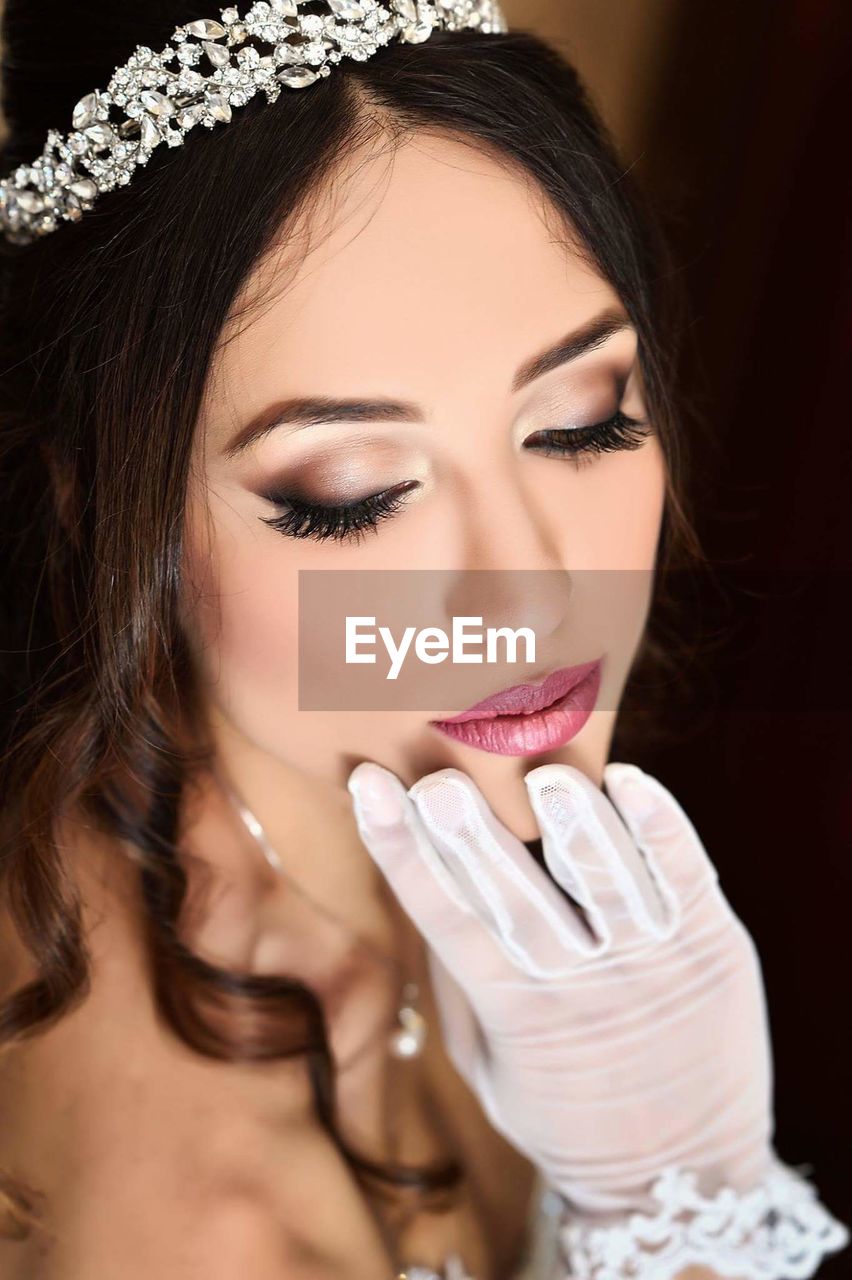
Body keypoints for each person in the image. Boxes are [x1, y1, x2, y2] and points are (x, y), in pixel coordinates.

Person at [0, 3, 847, 1278]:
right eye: (353, 493)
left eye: (582, 420)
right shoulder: (201, 1230)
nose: (531, 592)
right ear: (102, 511)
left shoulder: (464, 798)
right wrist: (687, 1210)